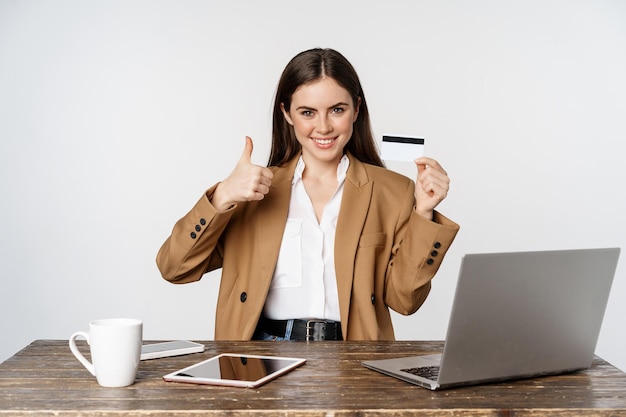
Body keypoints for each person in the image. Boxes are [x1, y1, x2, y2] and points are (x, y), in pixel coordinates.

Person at [156, 48, 459, 341]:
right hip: (262, 358)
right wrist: (221, 196)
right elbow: (174, 268)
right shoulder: (253, 190)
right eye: (308, 112)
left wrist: (424, 213)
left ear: (356, 109)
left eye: (337, 110)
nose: (323, 127)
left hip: (354, 359)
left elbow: (405, 300)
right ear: (286, 113)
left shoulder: (392, 191)